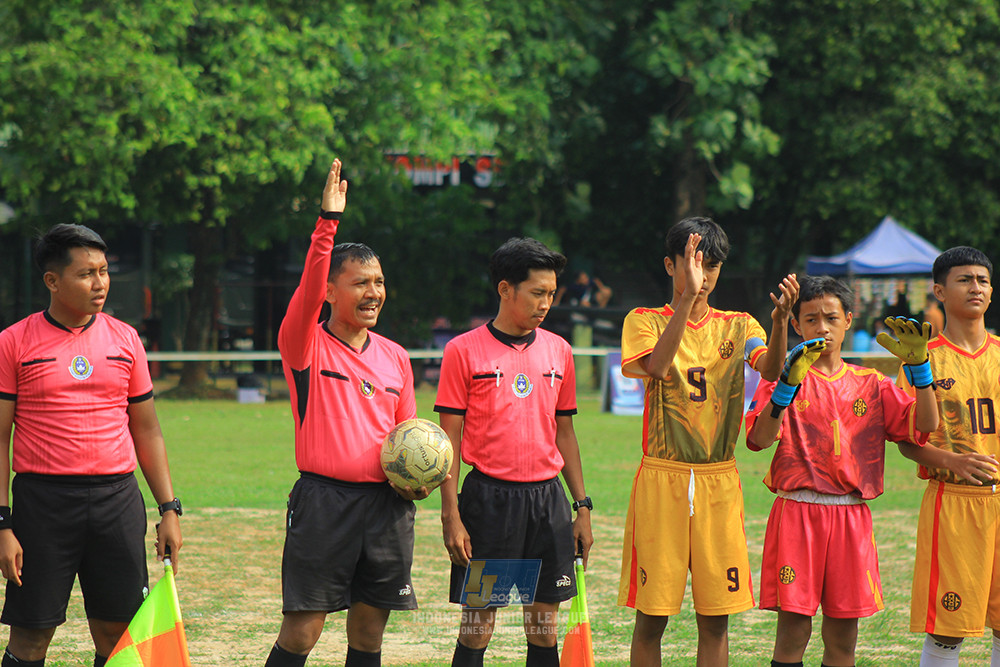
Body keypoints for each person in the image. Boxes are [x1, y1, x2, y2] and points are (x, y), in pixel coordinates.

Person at [744, 275, 996, 667]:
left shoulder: (872, 384)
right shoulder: (786, 376)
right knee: (793, 632)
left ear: (848, 319)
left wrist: (920, 370)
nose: (822, 328)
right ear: (796, 326)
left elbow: (924, 426)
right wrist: (783, 391)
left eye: (831, 317)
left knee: (843, 640)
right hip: (797, 513)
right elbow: (758, 440)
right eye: (811, 320)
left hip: (851, 516)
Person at [617, 216, 800, 666]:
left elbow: (773, 371)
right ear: (670, 265)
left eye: (712, 267)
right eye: (694, 264)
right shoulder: (643, 320)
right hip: (664, 478)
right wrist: (685, 300)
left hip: (719, 480)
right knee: (651, 617)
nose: (703, 276)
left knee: (716, 618)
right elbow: (657, 368)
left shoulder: (739, 324)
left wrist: (779, 324)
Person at [0, 223, 183, 667]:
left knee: (119, 634)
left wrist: (169, 509)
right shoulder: (14, 342)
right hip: (41, 505)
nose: (99, 283)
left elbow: (147, 431)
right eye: (86, 274)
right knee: (32, 635)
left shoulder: (125, 340)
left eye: (103, 271)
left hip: (116, 501)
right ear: (52, 281)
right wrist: (3, 524)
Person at [265, 160, 424, 667]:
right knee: (304, 629)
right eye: (359, 283)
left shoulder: (396, 356)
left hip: (386, 507)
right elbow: (307, 290)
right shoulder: (304, 343)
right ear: (331, 291)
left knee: (369, 630)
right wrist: (326, 223)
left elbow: (409, 436)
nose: (373, 292)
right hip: (324, 503)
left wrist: (416, 479)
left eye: (378, 282)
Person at [435, 237, 594, 667]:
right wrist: (451, 513)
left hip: (548, 503)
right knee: (478, 625)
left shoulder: (559, 350)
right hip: (490, 502)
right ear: (506, 289)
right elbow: (447, 437)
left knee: (543, 625)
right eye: (537, 292)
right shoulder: (463, 351)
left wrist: (581, 507)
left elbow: (565, 432)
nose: (547, 303)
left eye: (551, 294)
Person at [906, 247, 1000, 666]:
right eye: (964, 280)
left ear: (992, 290)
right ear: (940, 291)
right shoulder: (922, 358)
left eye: (982, 280)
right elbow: (905, 439)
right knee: (948, 630)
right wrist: (953, 461)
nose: (975, 287)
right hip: (955, 504)